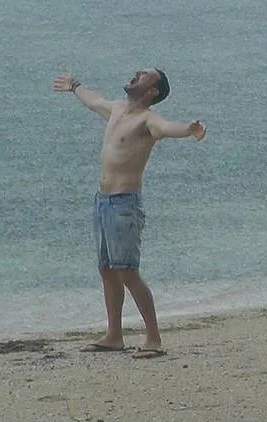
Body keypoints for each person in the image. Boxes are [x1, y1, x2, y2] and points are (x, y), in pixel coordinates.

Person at [53, 68, 206, 359]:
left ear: (152, 92)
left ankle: (154, 339)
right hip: (102, 201)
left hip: (124, 205)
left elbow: (165, 128)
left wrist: (188, 130)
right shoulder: (117, 109)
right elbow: (94, 101)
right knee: (107, 270)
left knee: (128, 272)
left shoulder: (147, 119)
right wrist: (75, 86)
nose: (136, 74)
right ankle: (114, 336)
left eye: (144, 75)